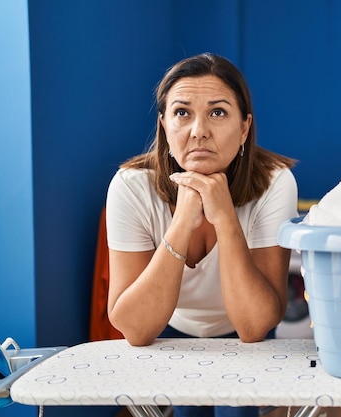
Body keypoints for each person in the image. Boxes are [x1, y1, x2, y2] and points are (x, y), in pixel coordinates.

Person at [105, 52, 298, 417]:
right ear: (163, 125)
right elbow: (135, 328)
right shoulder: (130, 186)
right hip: (169, 330)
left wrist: (225, 217)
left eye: (218, 112)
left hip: (246, 335)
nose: (198, 130)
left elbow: (255, 326)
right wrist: (183, 220)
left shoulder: (275, 182)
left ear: (244, 128)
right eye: (182, 113)